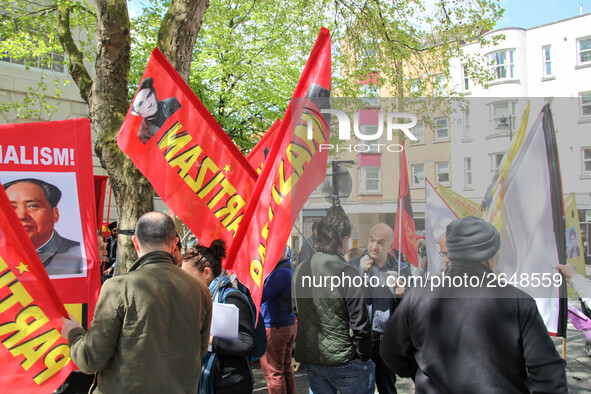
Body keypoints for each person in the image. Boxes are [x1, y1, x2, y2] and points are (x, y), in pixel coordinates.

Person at [380, 216, 568, 393]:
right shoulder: (519, 301)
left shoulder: (418, 295)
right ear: (491, 256)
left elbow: (390, 351)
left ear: (451, 253)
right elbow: (549, 375)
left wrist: (423, 374)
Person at [60, 212, 212, 393]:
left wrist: (74, 333)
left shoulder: (118, 287)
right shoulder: (200, 289)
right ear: (174, 244)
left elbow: (91, 359)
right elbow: (200, 350)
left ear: (135, 243)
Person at [294, 211, 375, 394]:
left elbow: (298, 310)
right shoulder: (347, 273)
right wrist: (364, 357)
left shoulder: (300, 270)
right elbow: (360, 324)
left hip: (313, 358)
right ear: (344, 240)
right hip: (344, 360)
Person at [181, 239, 256, 394]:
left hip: (231, 382)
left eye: (188, 276)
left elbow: (247, 344)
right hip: (210, 377)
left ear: (206, 273)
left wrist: (208, 339)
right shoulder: (203, 297)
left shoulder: (232, 298)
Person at [349, 223, 411, 394]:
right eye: (371, 240)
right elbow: (346, 295)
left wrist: (403, 293)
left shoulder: (401, 268)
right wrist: (360, 271)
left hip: (387, 339)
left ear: (390, 246)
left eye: (381, 242)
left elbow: (410, 306)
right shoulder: (355, 264)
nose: (374, 246)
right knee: (360, 388)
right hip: (361, 339)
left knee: (387, 387)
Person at [5, 178, 83, 276]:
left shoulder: (81, 256)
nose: (21, 216)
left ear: (55, 214)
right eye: (11, 207)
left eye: (32, 206)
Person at [260, 247, 297, 394]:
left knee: (273, 373)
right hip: (287, 323)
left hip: (276, 326)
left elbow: (262, 295)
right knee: (286, 369)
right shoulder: (289, 268)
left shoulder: (281, 272)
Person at [131, 77, 181, 143]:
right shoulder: (143, 135)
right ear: (136, 112)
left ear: (154, 93)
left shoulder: (173, 103)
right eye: (141, 104)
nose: (149, 104)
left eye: (149, 95)